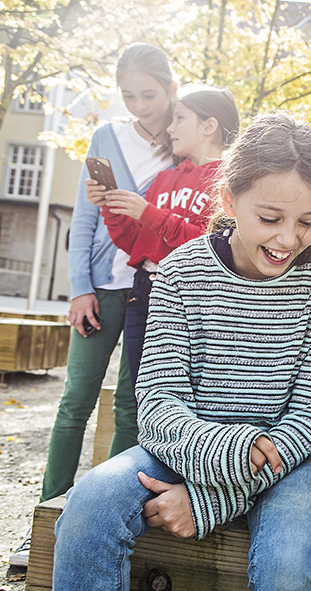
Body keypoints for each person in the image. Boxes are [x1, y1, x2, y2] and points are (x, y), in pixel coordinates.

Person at [52, 111, 311, 590]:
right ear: (229, 199)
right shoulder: (180, 270)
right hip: (187, 445)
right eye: (269, 218)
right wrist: (227, 456)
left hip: (294, 459)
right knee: (88, 503)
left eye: (308, 222)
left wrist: (208, 502)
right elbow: (157, 404)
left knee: (286, 564)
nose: (287, 239)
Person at [9, 42, 176, 569]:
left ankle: (108, 519)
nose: (139, 106)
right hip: (102, 288)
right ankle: (45, 514)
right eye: (128, 96)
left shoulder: (186, 140)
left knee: (131, 406)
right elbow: (86, 219)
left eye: (148, 95)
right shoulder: (107, 137)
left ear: (172, 90)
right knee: (74, 400)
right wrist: (79, 287)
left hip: (153, 290)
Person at [87, 85, 240, 387]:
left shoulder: (229, 182)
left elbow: (208, 245)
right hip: (142, 291)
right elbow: (136, 244)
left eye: (179, 118)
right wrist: (111, 208)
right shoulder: (164, 178)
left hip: (189, 296)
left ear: (209, 126)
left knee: (174, 392)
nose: (169, 128)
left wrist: (149, 213)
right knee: (138, 393)